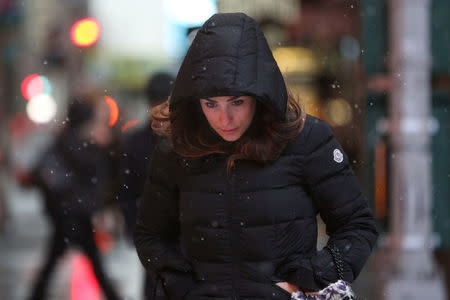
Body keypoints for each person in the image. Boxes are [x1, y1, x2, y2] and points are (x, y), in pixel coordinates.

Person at [134, 13, 378, 300]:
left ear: (260, 95)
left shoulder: (307, 140)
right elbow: (151, 235)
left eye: (237, 102)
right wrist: (183, 288)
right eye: (211, 104)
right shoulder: (179, 148)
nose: (224, 118)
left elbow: (357, 226)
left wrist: (309, 278)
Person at [27, 95, 122, 300]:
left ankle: (35, 295)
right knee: (95, 266)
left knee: (52, 263)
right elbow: (102, 182)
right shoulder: (90, 147)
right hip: (80, 215)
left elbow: (38, 174)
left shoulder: (60, 144)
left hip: (64, 214)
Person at [118, 71, 174, 299]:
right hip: (162, 232)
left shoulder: (137, 141)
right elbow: (126, 190)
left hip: (169, 232)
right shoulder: (139, 142)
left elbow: (126, 191)